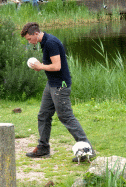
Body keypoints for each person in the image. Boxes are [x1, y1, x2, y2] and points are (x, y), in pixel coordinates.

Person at [20, 22, 96, 162]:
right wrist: (40, 67)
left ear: (36, 33)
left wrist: (40, 66)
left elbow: (57, 66)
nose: (30, 42)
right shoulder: (44, 42)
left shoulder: (50, 43)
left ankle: (88, 150)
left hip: (60, 86)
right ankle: (43, 148)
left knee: (66, 117)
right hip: (52, 85)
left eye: (29, 39)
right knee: (43, 115)